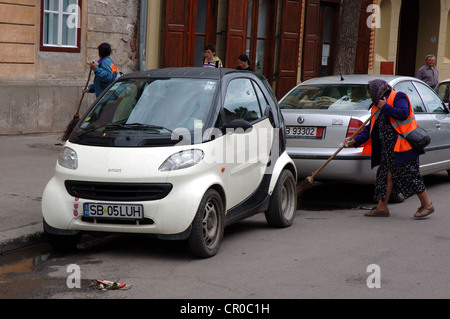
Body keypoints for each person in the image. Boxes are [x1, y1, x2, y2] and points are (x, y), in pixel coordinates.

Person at [345, 79, 434, 219]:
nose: (369, 96)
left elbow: (403, 113)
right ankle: (381, 208)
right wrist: (354, 140)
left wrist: (385, 107)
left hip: (403, 147)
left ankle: (427, 205)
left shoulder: (398, 97)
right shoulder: (376, 106)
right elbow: (370, 128)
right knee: (385, 177)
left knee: (411, 176)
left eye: (370, 93)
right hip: (388, 150)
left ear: (377, 91)